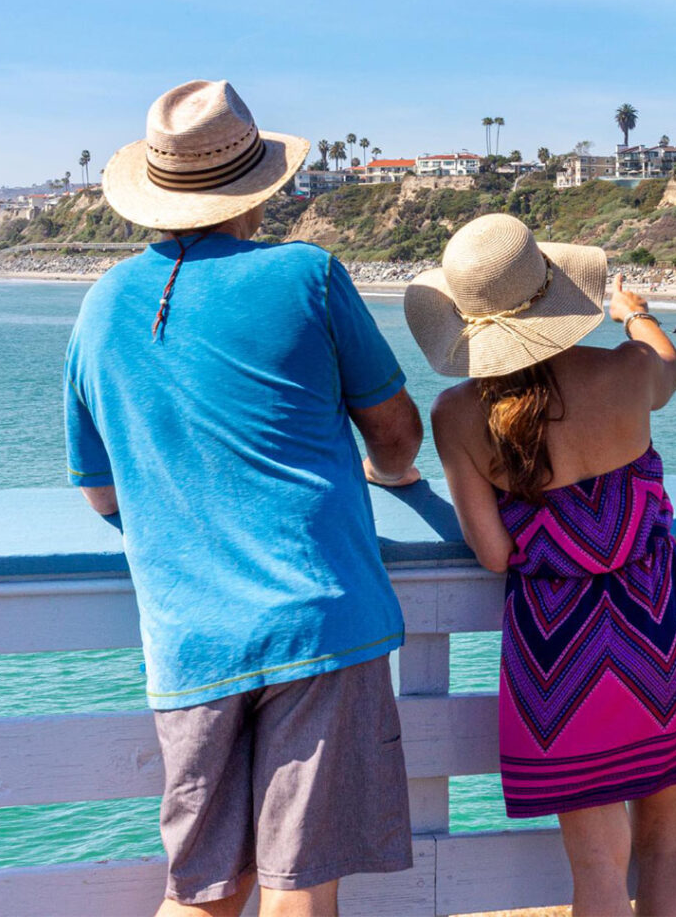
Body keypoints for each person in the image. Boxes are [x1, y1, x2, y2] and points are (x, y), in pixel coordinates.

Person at [65, 80, 422, 916]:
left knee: (203, 895)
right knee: (301, 890)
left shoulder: (100, 304)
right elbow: (397, 436)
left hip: (191, 639)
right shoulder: (307, 274)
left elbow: (99, 495)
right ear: (259, 185)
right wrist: (389, 474)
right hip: (318, 618)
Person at [404, 214, 676, 917]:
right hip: (660, 627)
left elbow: (493, 553)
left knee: (598, 873)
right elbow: (670, 368)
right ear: (556, 298)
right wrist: (636, 315)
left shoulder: (457, 414)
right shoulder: (627, 371)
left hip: (561, 649)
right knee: (667, 850)